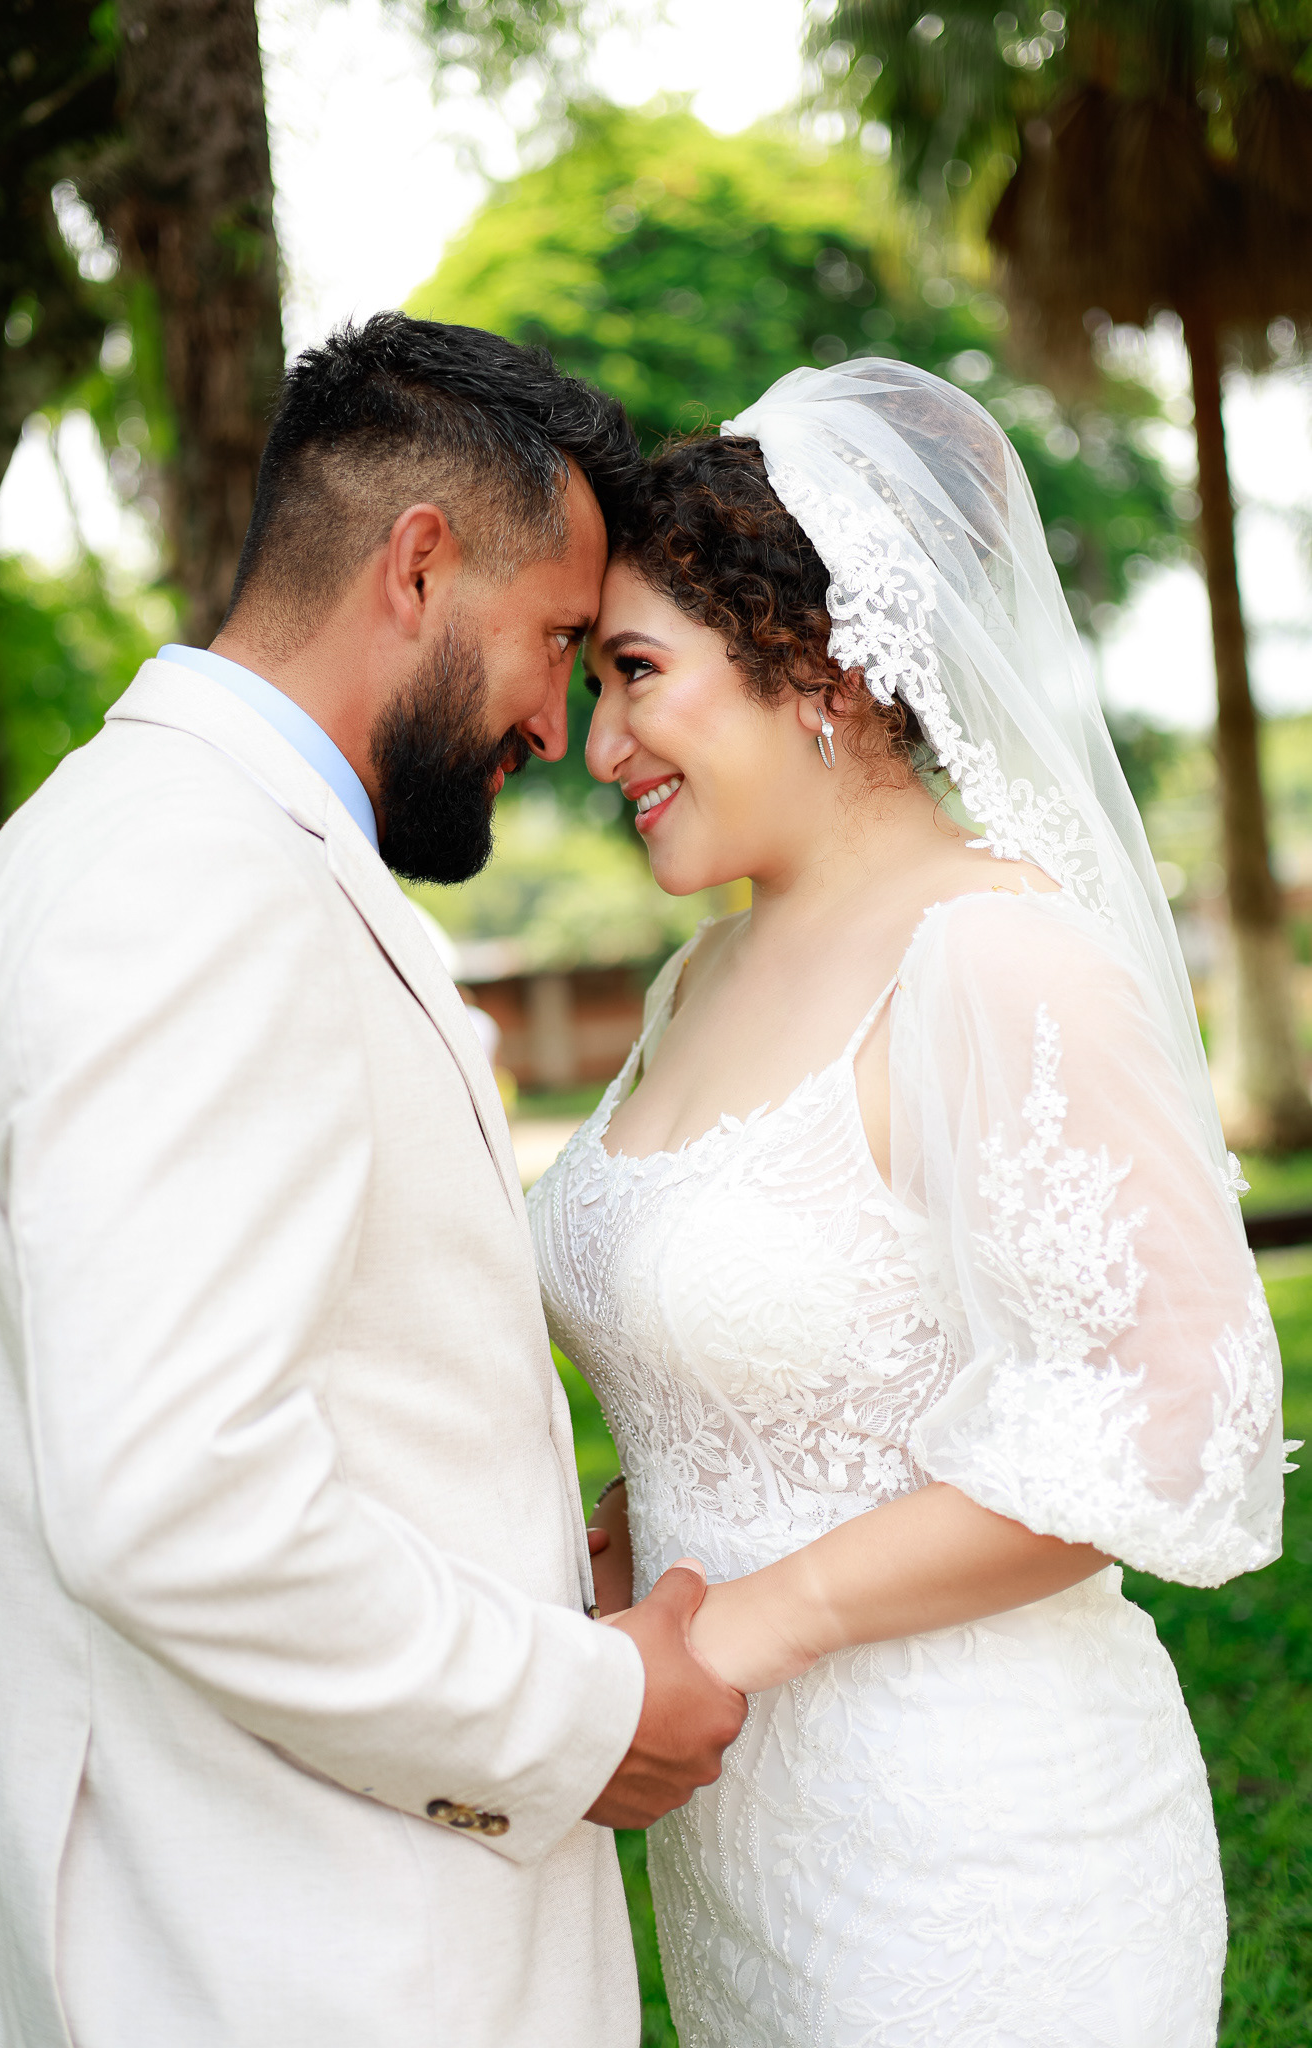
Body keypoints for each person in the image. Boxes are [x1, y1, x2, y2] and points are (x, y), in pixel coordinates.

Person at [0, 313, 746, 2048]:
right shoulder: (195, 882)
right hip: (284, 1946)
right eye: (556, 641)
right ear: (418, 564)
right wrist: (577, 1712)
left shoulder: (117, 838)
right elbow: (178, 1498)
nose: (558, 722)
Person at [528, 359, 1293, 2047]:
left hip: (977, 1849)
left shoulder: (998, 955)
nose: (598, 746)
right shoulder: (694, 983)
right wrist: (626, 1541)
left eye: (635, 674)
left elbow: (1166, 1414)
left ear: (819, 662)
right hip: (748, 1849)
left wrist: (746, 1622)